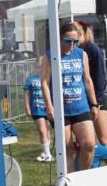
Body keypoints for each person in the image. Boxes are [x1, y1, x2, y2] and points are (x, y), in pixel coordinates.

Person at [42, 22, 99, 172]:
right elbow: (44, 82)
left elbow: (87, 80)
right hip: (62, 110)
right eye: (68, 41)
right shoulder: (50, 55)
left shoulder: (81, 54)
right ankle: (68, 182)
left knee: (89, 144)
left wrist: (94, 104)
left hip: (81, 106)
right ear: (59, 38)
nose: (72, 45)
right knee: (67, 148)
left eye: (75, 42)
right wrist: (49, 107)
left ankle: (82, 176)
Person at [77, 21, 107, 148]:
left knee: (103, 139)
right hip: (81, 99)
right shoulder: (76, 50)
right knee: (85, 141)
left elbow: (99, 76)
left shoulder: (93, 50)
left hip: (96, 99)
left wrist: (96, 101)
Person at [23, 57, 52, 162]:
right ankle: (48, 154)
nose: (41, 68)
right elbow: (26, 94)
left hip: (47, 108)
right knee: (42, 130)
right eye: (39, 66)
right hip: (36, 109)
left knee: (47, 131)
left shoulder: (49, 79)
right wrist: (27, 107)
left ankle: (45, 153)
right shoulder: (31, 79)